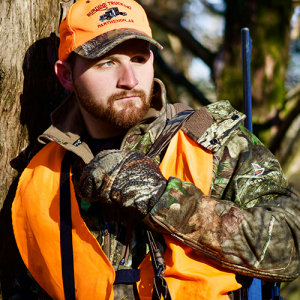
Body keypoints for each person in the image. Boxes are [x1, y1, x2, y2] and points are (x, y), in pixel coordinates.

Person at [11, 0, 300, 299]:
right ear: (66, 76)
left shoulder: (212, 141)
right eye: (107, 62)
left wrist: (165, 200)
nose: (130, 80)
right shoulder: (41, 174)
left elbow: (292, 244)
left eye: (138, 58)